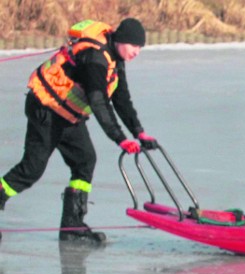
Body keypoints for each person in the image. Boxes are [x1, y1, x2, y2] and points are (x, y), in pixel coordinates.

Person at [0, 18, 159, 244]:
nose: (137, 52)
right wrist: (120, 139)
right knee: (32, 169)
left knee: (84, 160)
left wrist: (138, 132)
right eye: (135, 46)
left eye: (140, 48)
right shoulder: (95, 59)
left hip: (66, 113)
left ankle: (72, 226)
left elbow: (120, 98)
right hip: (46, 108)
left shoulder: (115, 58)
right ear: (122, 41)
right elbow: (98, 101)